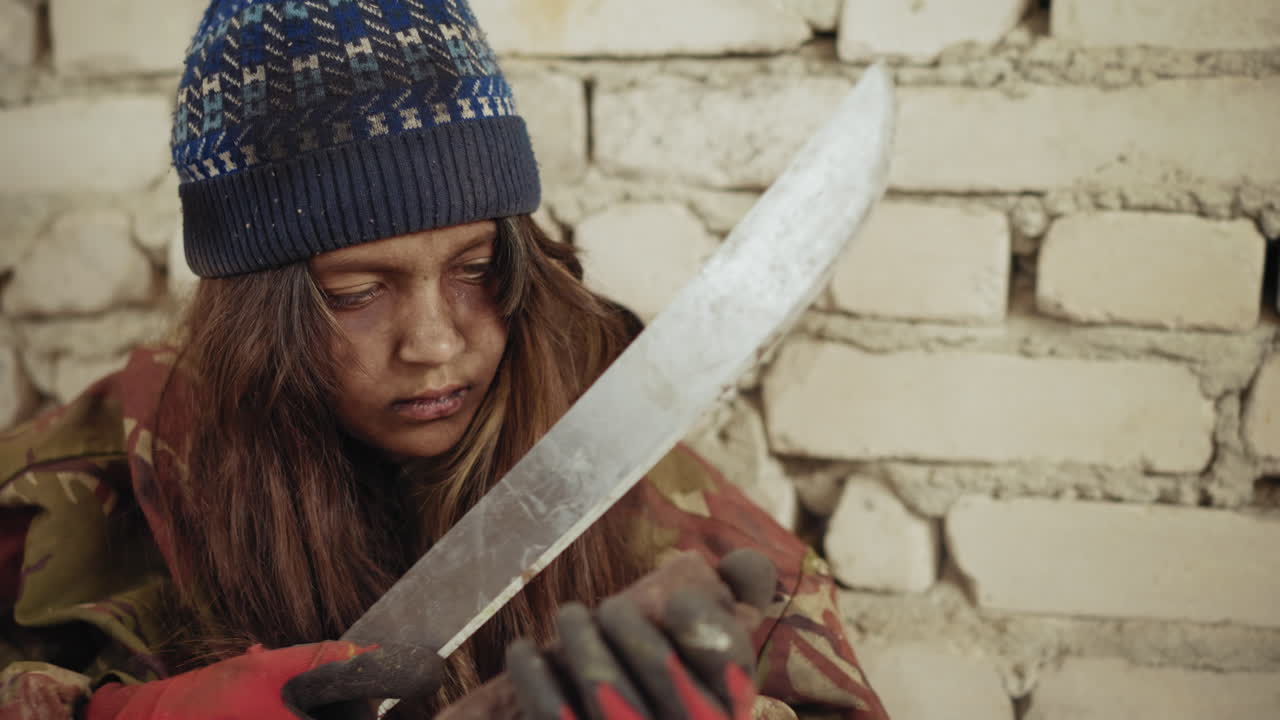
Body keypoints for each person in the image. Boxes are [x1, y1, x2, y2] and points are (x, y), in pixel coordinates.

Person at [0, 1, 889, 718]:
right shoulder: (47, 504)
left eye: (476, 270)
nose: (435, 343)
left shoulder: (666, 523)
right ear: (252, 315)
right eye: (356, 293)